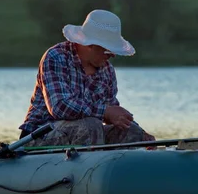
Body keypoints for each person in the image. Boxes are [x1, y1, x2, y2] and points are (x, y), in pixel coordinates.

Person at [19, 9, 155, 146]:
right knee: (91, 126)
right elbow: (59, 107)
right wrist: (105, 112)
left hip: (87, 132)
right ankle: (91, 165)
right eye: (108, 50)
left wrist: (140, 132)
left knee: (132, 131)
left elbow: (112, 110)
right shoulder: (56, 57)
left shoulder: (107, 70)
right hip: (40, 134)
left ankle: (113, 164)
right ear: (90, 44)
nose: (112, 55)